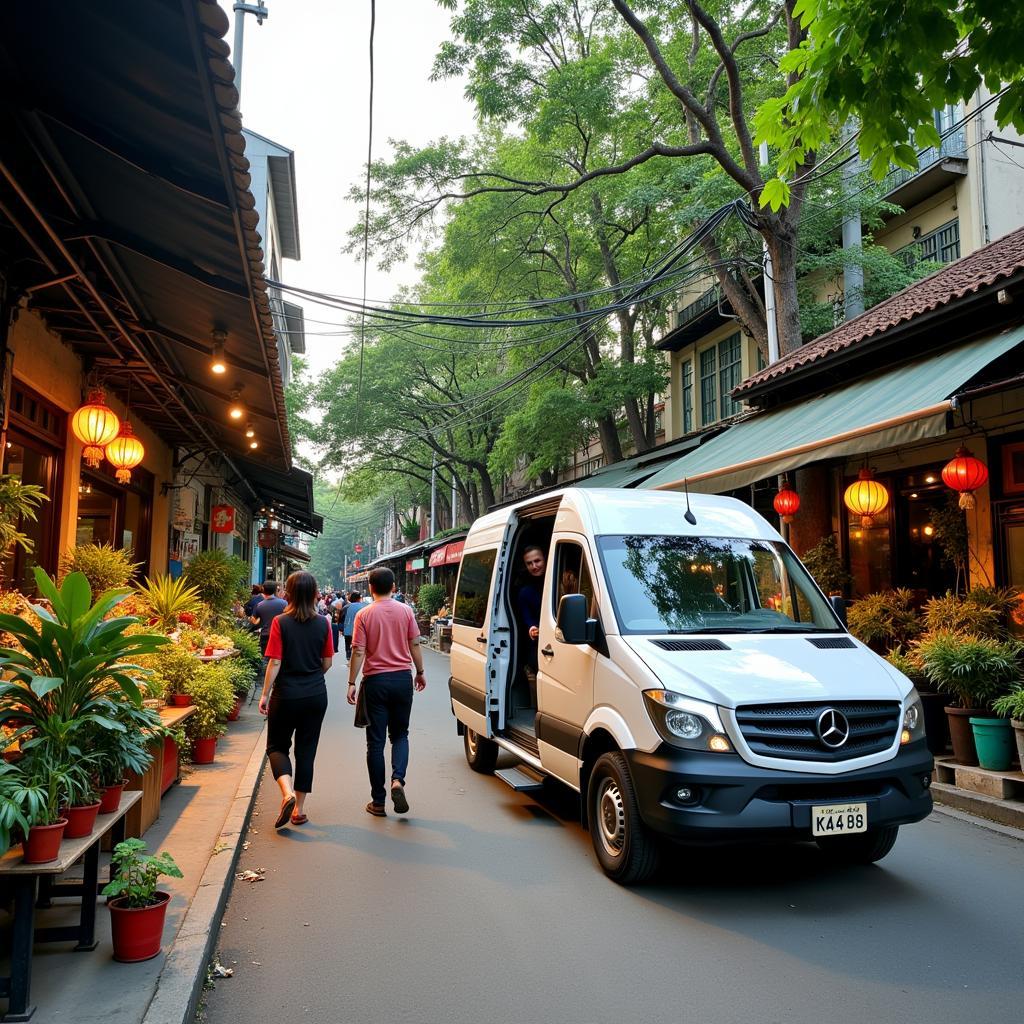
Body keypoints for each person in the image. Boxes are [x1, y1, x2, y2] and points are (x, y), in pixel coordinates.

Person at [346, 568, 425, 817]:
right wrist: (420, 671)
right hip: (402, 679)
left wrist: (351, 682)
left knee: (375, 744)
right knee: (400, 735)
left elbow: (358, 651)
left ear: (370, 587)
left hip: (375, 682)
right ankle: (398, 780)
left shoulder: (364, 614)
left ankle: (378, 802)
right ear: (393, 586)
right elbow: (414, 643)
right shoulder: (406, 611)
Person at [258, 571, 334, 828]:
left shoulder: (281, 622)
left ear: (287, 594)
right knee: (306, 751)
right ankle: (298, 809)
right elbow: (327, 663)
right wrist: (311, 677)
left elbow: (275, 661)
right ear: (315, 594)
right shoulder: (324, 623)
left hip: (286, 694)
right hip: (315, 695)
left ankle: (287, 793)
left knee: (277, 747)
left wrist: (265, 694)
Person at [516, 545, 546, 706]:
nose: (534, 566)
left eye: (537, 561)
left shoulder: (562, 580)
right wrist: (532, 628)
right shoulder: (525, 592)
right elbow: (527, 619)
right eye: (529, 563)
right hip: (539, 644)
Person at [250, 580, 287, 661]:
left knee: (266, 659)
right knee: (280, 658)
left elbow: (253, 620)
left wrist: (261, 620)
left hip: (265, 635)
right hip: (281, 635)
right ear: (275, 590)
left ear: (263, 589)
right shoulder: (284, 603)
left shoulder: (259, 605)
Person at [341, 590, 362, 660]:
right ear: (359, 599)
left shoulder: (345, 608)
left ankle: (348, 656)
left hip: (348, 631)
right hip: (359, 632)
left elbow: (341, 620)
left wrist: (341, 630)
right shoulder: (363, 608)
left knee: (348, 644)